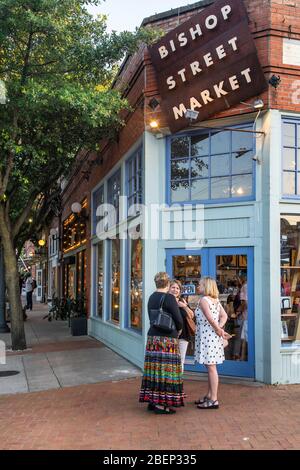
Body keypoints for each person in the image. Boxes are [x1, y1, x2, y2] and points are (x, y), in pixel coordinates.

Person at [139, 272, 184, 414]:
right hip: (167, 340)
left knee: (154, 370)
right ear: (167, 283)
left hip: (153, 338)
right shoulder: (169, 298)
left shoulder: (151, 297)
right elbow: (179, 320)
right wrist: (180, 329)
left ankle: (153, 400)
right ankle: (161, 405)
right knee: (165, 371)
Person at [194, 276, 231, 410]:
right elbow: (224, 316)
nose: (198, 287)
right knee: (210, 367)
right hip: (211, 336)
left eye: (200, 284)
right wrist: (219, 329)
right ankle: (209, 395)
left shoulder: (204, 300)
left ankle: (214, 399)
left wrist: (218, 330)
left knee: (211, 368)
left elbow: (210, 319)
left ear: (206, 286)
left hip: (208, 337)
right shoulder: (215, 300)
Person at [169, 280, 195, 372]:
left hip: (183, 335)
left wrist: (183, 306)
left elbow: (191, 315)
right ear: (168, 288)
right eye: (173, 287)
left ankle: (178, 383)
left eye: (177, 288)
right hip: (169, 335)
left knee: (180, 361)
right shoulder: (166, 301)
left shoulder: (182, 300)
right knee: (170, 361)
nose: (175, 290)